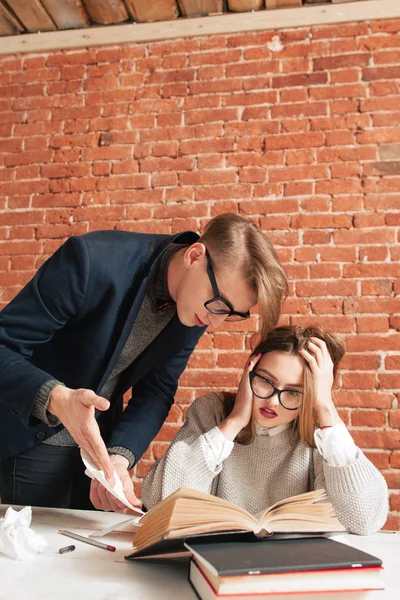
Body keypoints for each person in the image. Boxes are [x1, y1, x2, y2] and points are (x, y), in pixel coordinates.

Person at [0, 213, 288, 511]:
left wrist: (119, 456)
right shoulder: (91, 260)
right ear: (194, 256)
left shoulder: (196, 312)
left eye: (231, 313)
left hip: (100, 451)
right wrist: (57, 399)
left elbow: (157, 390)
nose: (214, 323)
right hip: (33, 437)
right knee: (38, 553)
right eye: (219, 304)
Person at [142, 325, 388, 535]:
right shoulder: (213, 411)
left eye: (293, 392)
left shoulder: (318, 435)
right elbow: (157, 502)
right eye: (265, 381)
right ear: (249, 371)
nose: (272, 401)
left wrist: (325, 407)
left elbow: (364, 520)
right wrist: (235, 421)